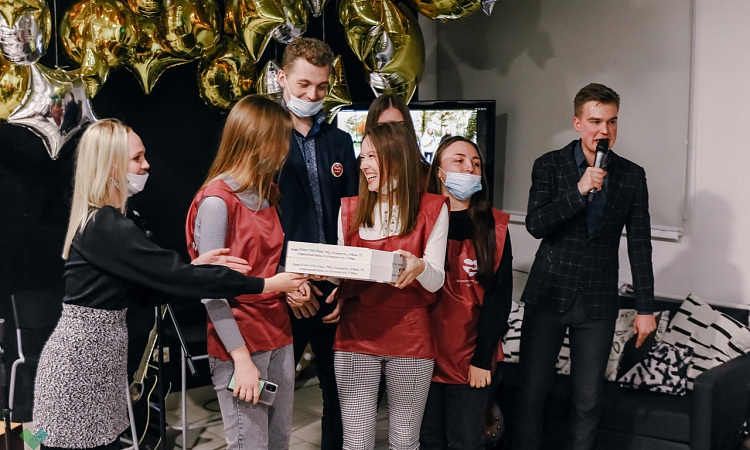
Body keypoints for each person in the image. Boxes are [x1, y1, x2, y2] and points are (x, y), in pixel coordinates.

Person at [33, 119, 308, 450]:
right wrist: (264, 284)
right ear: (111, 165)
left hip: (98, 361)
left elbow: (150, 290)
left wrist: (194, 269)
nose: (146, 165)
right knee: (47, 440)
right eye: (137, 158)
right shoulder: (107, 225)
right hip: (80, 367)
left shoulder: (112, 222)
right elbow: (175, 277)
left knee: (70, 439)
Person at [513, 83, 656, 450]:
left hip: (598, 302)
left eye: (611, 121)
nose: (603, 131)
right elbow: (536, 225)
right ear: (577, 123)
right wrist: (578, 191)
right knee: (531, 395)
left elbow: (640, 244)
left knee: (588, 401)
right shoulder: (549, 164)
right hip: (548, 294)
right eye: (595, 121)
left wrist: (645, 309)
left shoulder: (631, 175)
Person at [185, 95, 309, 449]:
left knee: (278, 440)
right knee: (248, 442)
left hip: (278, 333)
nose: (285, 148)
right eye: (281, 138)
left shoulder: (266, 193)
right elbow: (211, 289)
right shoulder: (216, 201)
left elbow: (267, 261)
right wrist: (240, 358)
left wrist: (291, 283)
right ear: (258, 140)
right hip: (239, 338)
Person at [331, 122, 449, 449]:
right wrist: (315, 274)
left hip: (411, 336)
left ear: (397, 159)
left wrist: (420, 266)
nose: (364, 165)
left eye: (372, 156)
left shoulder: (432, 209)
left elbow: (436, 280)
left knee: (405, 442)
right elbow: (340, 274)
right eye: (363, 157)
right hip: (355, 335)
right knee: (356, 442)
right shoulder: (349, 209)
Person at [276, 36, 359, 449]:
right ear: (282, 78)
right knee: (273, 395)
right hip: (282, 286)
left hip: (331, 286)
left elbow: (351, 217)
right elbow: (255, 220)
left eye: (322, 87)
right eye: (304, 85)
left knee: (338, 393)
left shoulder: (339, 142)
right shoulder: (264, 136)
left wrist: (346, 284)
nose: (312, 95)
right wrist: (285, 280)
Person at [420, 136, 513, 450]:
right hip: (421, 353)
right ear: (439, 171)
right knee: (427, 439)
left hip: (470, 358)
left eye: (475, 163)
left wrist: (482, 359)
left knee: (466, 442)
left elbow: (499, 300)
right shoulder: (420, 220)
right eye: (458, 160)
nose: (469, 168)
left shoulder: (495, 227)